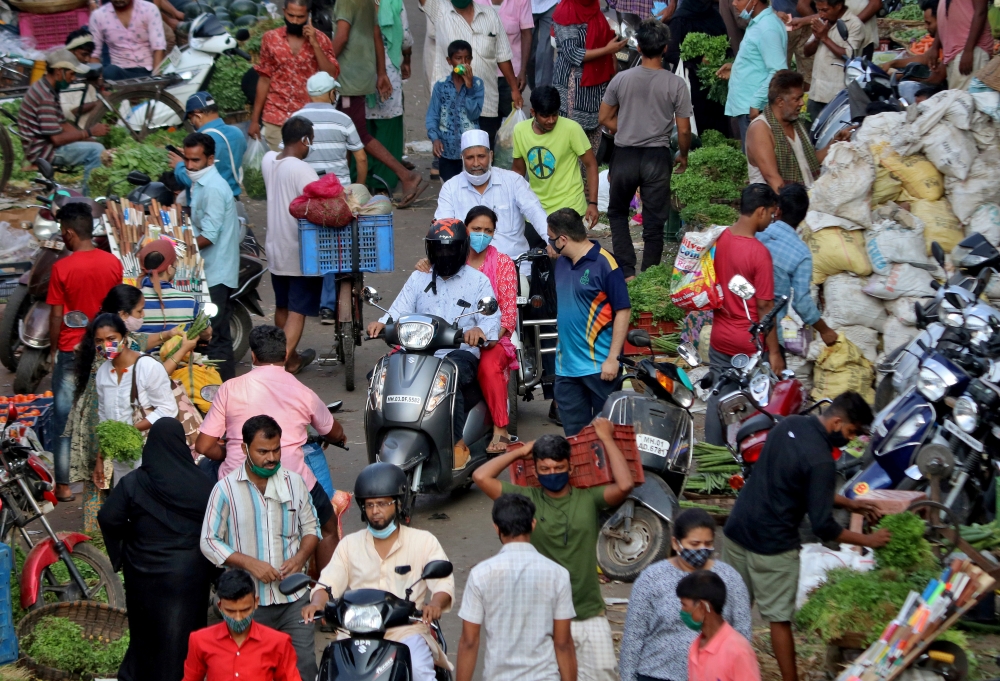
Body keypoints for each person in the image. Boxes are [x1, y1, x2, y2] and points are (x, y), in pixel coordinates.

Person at [724, 391, 892, 681]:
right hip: (772, 547)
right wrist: (869, 541)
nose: (852, 439)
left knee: (731, 613)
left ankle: (719, 671)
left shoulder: (789, 424)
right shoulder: (822, 461)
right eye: (852, 432)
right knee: (778, 620)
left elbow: (799, 484)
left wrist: (851, 504)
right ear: (837, 422)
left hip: (737, 528)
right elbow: (824, 526)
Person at [473, 424, 634, 681]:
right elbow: (481, 477)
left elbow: (625, 485)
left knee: (604, 675)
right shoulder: (527, 500)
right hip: (543, 618)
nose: (552, 473)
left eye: (559, 468)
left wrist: (606, 438)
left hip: (588, 612)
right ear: (534, 471)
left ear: (571, 467)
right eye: (545, 469)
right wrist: (518, 453)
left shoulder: (589, 498)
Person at [196, 325, 348, 569]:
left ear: (254, 356)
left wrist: (229, 453)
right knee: (327, 529)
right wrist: (338, 438)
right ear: (286, 355)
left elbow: (203, 445)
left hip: (238, 478)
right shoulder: (303, 392)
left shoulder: (230, 388)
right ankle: (325, 594)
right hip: (293, 480)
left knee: (206, 475)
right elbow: (333, 431)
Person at [366, 219, 501, 468]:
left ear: (462, 249)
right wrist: (381, 323)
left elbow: (490, 319)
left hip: (458, 353)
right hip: (418, 350)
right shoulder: (420, 277)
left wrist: (478, 330)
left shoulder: (478, 281)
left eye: (450, 248)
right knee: (379, 375)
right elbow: (398, 310)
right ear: (430, 249)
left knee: (448, 376)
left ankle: (456, 442)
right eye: (439, 248)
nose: (445, 253)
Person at [302, 463, 456, 681]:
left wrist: (435, 604)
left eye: (383, 503)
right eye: (370, 504)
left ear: (399, 503)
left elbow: (442, 583)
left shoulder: (423, 541)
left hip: (406, 632)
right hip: (353, 634)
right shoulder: (349, 545)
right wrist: (317, 603)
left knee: (420, 672)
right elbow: (327, 583)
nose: (375, 511)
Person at [200, 415, 321, 681]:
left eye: (277, 449)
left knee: (303, 669)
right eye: (263, 451)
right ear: (244, 449)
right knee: (251, 672)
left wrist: (300, 558)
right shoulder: (225, 491)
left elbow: (312, 529)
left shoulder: (295, 483)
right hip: (250, 605)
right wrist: (249, 563)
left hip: (294, 601)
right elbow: (208, 540)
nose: (272, 458)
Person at [98, 418, 217, 681]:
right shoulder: (204, 484)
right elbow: (217, 527)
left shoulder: (133, 483)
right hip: (189, 574)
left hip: (143, 572)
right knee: (183, 634)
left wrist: (127, 546)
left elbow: (108, 518)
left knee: (146, 632)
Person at [414, 207, 519, 452]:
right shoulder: (450, 257)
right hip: (448, 338)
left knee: (488, 366)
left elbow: (507, 316)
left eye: (488, 230)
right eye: (476, 229)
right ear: (465, 231)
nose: (482, 235)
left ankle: (501, 429)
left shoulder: (502, 263)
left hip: (490, 337)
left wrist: (488, 337)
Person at [599, 19, 693, 281]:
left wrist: (627, 127)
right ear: (665, 48)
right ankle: (649, 274)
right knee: (653, 222)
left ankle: (627, 271)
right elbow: (684, 130)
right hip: (657, 157)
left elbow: (604, 118)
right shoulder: (675, 84)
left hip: (625, 154)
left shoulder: (621, 79)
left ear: (638, 47)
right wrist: (682, 154)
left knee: (617, 212)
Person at [618, 509, 752, 681]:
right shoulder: (651, 579)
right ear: (676, 543)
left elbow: (742, 630)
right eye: (694, 544)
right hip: (656, 673)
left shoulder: (729, 578)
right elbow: (634, 637)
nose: (701, 550)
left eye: (707, 544)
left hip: (714, 675)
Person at [456, 493, 577, 681]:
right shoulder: (558, 574)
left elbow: (469, 641)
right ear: (533, 525)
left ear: (497, 528)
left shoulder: (481, 574)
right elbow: (563, 643)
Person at [48, 202, 123, 502]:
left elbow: (55, 315)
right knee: (107, 411)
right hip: (107, 347)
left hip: (71, 347)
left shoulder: (61, 268)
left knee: (65, 418)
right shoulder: (112, 263)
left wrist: (54, 349)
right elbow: (119, 308)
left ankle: (64, 485)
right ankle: (105, 475)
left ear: (68, 233)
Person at [704, 184, 782, 446]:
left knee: (718, 396)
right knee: (748, 404)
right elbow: (764, 307)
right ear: (760, 211)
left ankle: (712, 452)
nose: (772, 219)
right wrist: (774, 352)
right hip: (747, 343)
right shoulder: (759, 253)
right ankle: (741, 457)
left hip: (719, 336)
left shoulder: (721, 238)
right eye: (771, 213)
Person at [329, 0, 426, 205]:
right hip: (362, 77)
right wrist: (381, 72)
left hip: (350, 80)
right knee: (348, 132)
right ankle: (346, 187)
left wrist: (321, 61)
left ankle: (404, 175)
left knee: (356, 132)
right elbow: (376, 36)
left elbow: (342, 36)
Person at [544, 208, 630, 436]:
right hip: (566, 370)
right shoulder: (562, 262)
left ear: (563, 239)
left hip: (599, 367)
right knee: (575, 439)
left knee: (607, 438)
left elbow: (623, 310)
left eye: (550, 238)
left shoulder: (605, 264)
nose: (549, 243)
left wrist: (613, 358)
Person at [261, 116, 321, 374]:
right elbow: (322, 202)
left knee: (283, 305)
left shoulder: (269, 160)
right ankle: (277, 367)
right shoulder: (301, 169)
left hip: (275, 247)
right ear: (305, 140)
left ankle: (293, 358)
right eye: (311, 142)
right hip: (298, 250)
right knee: (297, 311)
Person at [419, 0, 524, 147]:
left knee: (483, 155)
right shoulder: (440, 10)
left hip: (486, 103)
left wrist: (514, 89)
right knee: (453, 157)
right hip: (453, 107)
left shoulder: (490, 15)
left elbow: (503, 57)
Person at [89, 313, 178, 486]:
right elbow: (104, 420)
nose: (106, 345)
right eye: (99, 341)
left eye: (111, 338)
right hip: (123, 460)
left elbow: (168, 409)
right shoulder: (102, 373)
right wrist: (100, 459)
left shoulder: (148, 366)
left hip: (152, 455)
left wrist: (129, 430)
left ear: (125, 337)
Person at [436, 129, 549, 261]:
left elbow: (535, 212)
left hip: (514, 264)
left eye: (481, 156)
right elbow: (442, 228)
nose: (476, 163)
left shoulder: (513, 182)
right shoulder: (450, 188)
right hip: (467, 268)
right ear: (462, 158)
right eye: (470, 158)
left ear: (491, 155)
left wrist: (552, 241)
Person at [183, 131, 241, 380]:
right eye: (186, 159)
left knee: (216, 336)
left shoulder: (214, 188)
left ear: (209, 159)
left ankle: (224, 392)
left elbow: (209, 235)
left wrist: (180, 249)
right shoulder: (201, 183)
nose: (189, 165)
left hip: (216, 273)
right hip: (208, 270)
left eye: (195, 160)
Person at [757, 183, 840, 350]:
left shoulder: (758, 233)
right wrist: (825, 331)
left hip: (739, 324)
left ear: (777, 210)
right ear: (803, 218)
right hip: (769, 336)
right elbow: (801, 302)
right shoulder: (802, 253)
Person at [248, 0, 339, 151]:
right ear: (284, 11)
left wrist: (315, 44)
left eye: (300, 17)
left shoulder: (321, 39)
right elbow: (264, 79)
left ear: (308, 15)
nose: (295, 21)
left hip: (308, 119)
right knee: (280, 167)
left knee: (306, 168)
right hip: (275, 116)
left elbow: (331, 74)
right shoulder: (270, 39)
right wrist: (254, 120)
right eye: (291, 15)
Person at [182, 568, 301, 681]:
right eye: (231, 611)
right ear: (220, 606)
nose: (238, 618)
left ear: (256, 603)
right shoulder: (200, 640)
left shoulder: (278, 642)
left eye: (245, 610)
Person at [18, 49, 108, 196]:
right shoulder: (45, 96)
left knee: (97, 145)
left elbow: (63, 124)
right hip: (44, 152)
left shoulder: (48, 88)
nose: (73, 78)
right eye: (71, 74)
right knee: (96, 151)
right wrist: (89, 132)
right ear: (59, 72)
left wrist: (91, 138)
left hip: (46, 145)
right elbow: (57, 139)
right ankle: (89, 199)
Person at [513, 87, 599, 227]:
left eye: (555, 115)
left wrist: (593, 203)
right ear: (533, 112)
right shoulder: (520, 130)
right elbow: (518, 171)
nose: (551, 120)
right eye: (545, 116)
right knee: (536, 249)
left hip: (570, 208)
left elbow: (591, 164)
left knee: (568, 248)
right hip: (536, 209)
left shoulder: (572, 129)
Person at [746, 71, 848, 190]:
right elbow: (772, 178)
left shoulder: (796, 124)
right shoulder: (760, 129)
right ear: (780, 102)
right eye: (797, 99)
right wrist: (795, 206)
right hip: (777, 204)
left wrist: (835, 143)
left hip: (806, 198)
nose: (802, 103)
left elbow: (809, 161)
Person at [551, 0, 625, 151]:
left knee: (592, 138)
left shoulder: (593, 8)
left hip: (596, 83)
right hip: (573, 83)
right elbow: (572, 53)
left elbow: (606, 39)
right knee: (571, 134)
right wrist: (607, 50)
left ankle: (588, 173)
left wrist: (612, 69)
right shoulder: (566, 11)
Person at [717, 0, 787, 145]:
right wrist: (736, 67)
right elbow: (760, 60)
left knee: (757, 162)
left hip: (755, 109)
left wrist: (756, 103)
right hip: (749, 106)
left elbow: (778, 71)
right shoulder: (758, 23)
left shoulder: (767, 27)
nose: (734, 4)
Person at [364, 0, 415, 192]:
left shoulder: (353, 4)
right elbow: (405, 38)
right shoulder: (394, 3)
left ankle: (362, 178)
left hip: (360, 74)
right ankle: (383, 182)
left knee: (363, 127)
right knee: (389, 126)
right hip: (389, 74)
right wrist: (407, 59)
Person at [678, 572, 762, 681]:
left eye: (684, 605)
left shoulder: (738, 651)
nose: (682, 611)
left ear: (703, 607)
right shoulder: (695, 647)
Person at [291, 72, 368, 187]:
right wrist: (359, 187)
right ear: (332, 93)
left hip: (306, 188)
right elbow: (361, 158)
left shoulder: (295, 119)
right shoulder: (344, 119)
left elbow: (287, 157)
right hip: (339, 190)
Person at [426, 40, 486, 182]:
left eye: (467, 59)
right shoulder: (440, 86)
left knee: (472, 187)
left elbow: (474, 114)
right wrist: (435, 138)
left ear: (471, 60)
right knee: (449, 187)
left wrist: (469, 86)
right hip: (447, 150)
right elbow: (432, 115)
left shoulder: (477, 84)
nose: (463, 63)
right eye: (458, 58)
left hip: (470, 151)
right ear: (449, 61)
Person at [169, 92, 247, 199]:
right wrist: (193, 157)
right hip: (233, 198)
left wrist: (179, 166)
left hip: (210, 201)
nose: (192, 123)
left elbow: (197, 182)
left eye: (191, 119)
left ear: (198, 115)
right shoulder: (237, 133)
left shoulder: (204, 141)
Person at [803, 0, 865, 121]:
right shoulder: (822, 22)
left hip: (837, 96)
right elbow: (806, 52)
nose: (821, 14)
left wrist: (824, 38)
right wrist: (816, 38)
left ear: (838, 6)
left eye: (825, 10)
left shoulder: (854, 24)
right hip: (816, 92)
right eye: (818, 10)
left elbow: (849, 55)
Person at [474, 0, 533, 121]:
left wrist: (523, 70)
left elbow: (526, 34)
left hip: (511, 74)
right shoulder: (475, 2)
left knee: (509, 122)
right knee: (486, 121)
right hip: (483, 72)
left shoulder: (521, 2)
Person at [89, 0, 167, 80]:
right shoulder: (98, 16)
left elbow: (159, 47)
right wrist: (99, 82)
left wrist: (156, 78)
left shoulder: (149, 9)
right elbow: (94, 54)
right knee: (110, 71)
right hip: (120, 73)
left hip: (149, 70)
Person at [136, 240, 199, 336]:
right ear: (169, 269)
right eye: (175, 265)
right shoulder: (190, 301)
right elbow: (206, 333)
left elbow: (132, 341)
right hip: (180, 351)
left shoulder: (132, 301)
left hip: (141, 350)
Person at [934, 0, 990, 89]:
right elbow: (945, 13)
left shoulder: (968, 51)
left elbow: (981, 11)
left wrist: (968, 50)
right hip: (956, 52)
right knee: (956, 98)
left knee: (961, 100)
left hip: (969, 51)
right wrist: (935, 47)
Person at [530, 0, 558, 89]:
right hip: (525, 5)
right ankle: (534, 90)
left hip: (550, 4)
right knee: (527, 54)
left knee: (545, 52)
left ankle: (542, 94)